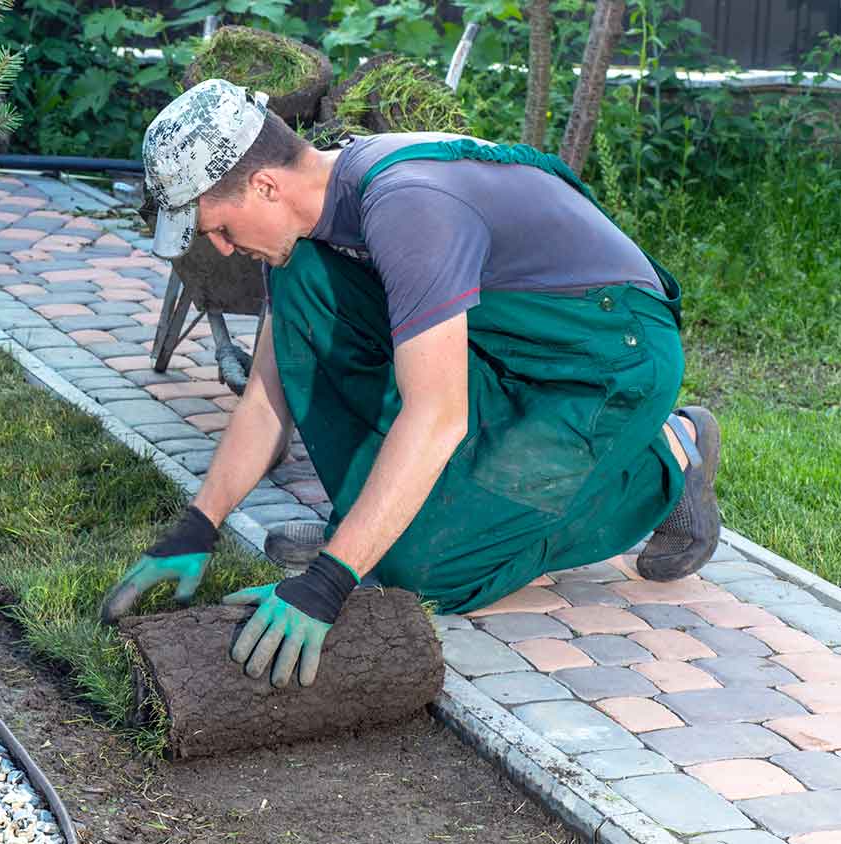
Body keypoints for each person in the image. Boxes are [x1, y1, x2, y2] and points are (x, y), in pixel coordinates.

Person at [98, 78, 722, 691]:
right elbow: (269, 394)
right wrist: (199, 524)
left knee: (424, 571)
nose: (223, 249)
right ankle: (377, 518)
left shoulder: (408, 206)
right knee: (304, 282)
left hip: (603, 364)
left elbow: (437, 416)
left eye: (218, 226)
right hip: (505, 344)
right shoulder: (317, 218)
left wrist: (330, 581)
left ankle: (665, 458)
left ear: (264, 184)